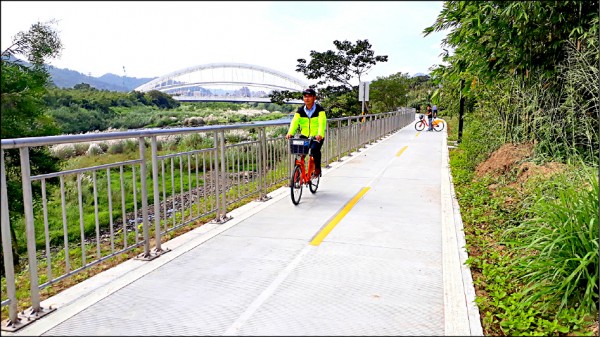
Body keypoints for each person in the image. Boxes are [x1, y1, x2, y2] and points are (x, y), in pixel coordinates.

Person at [285, 88, 327, 176]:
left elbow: (322, 123)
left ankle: (317, 169)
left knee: (315, 150)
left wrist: (320, 134)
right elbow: (294, 122)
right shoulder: (300, 111)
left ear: (314, 98)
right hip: (304, 136)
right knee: (299, 153)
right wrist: (290, 132)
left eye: (309, 96)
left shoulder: (320, 110)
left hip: (316, 136)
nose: (307, 98)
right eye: (305, 96)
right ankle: (297, 175)